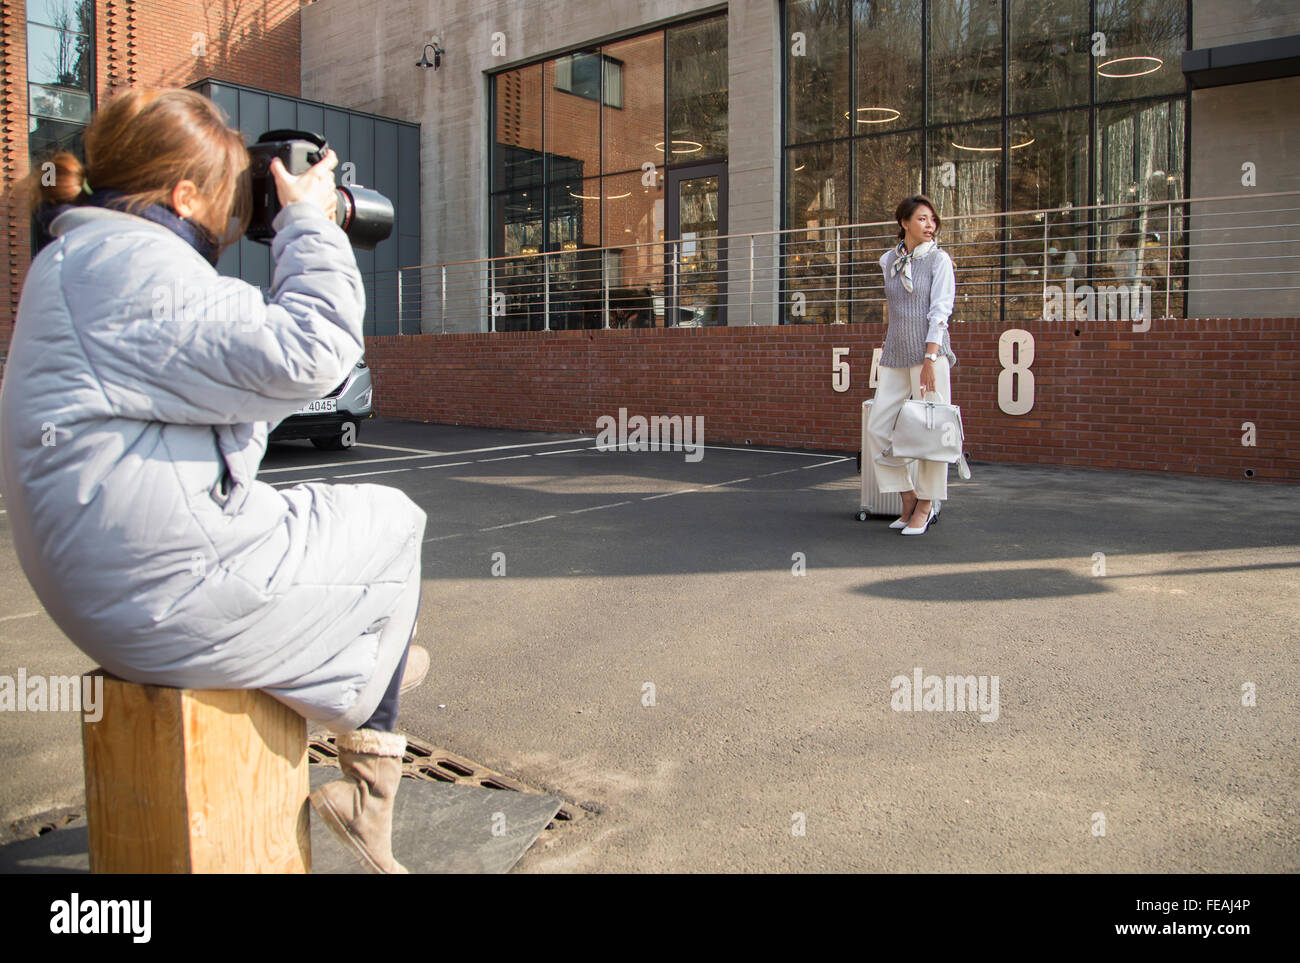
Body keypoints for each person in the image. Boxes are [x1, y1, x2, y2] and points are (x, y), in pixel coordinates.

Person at [0, 88, 427, 873]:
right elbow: (317, 349)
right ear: (183, 192)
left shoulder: (83, 257)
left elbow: (235, 408)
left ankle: (369, 668)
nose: (236, 219)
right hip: (161, 594)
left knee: (335, 529)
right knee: (394, 520)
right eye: (231, 195)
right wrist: (306, 219)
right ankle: (367, 787)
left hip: (121, 579)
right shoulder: (135, 267)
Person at [866, 194, 958, 536]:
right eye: (922, 219)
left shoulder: (939, 261)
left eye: (932, 219)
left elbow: (940, 311)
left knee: (933, 432)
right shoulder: (888, 260)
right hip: (894, 353)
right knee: (878, 427)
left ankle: (928, 503)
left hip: (928, 356)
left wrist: (931, 357)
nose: (930, 225)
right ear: (904, 222)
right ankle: (907, 495)